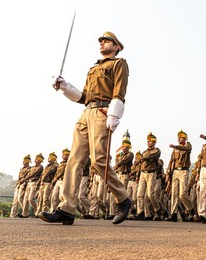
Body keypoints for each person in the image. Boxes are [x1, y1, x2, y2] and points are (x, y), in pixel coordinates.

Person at [40, 31, 131, 225]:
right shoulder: (93, 68)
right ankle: (67, 208)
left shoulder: (119, 63)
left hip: (103, 111)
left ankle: (123, 199)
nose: (102, 43)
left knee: (99, 160)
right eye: (101, 41)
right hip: (87, 112)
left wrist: (114, 114)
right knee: (74, 159)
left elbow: (120, 90)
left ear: (116, 47)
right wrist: (65, 87)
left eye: (107, 41)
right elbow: (83, 97)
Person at [165, 130, 194, 222]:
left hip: (184, 171)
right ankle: (173, 213)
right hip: (175, 172)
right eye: (178, 137)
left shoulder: (188, 145)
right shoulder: (175, 150)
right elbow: (171, 161)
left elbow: (186, 149)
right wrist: (168, 173)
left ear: (185, 138)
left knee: (183, 193)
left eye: (181, 137)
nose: (179, 139)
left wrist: (175, 146)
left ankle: (190, 209)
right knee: (174, 193)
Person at [134, 132, 162, 220]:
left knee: (150, 194)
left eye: (151, 141)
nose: (149, 142)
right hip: (143, 173)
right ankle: (141, 212)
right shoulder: (144, 152)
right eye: (148, 141)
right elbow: (141, 163)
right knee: (139, 194)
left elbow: (154, 156)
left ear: (154, 142)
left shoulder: (156, 150)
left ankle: (157, 210)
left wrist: (143, 158)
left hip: (151, 173)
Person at [19, 153, 44, 218]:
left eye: (37, 159)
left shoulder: (40, 167)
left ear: (41, 160)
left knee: (30, 199)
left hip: (34, 183)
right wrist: (24, 180)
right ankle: (25, 213)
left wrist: (24, 179)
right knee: (25, 199)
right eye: (35, 159)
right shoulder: (32, 167)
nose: (35, 160)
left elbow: (34, 174)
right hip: (28, 183)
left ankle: (37, 211)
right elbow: (27, 174)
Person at [35, 152, 58, 217]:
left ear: (54, 159)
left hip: (48, 183)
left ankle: (52, 211)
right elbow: (42, 175)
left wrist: (43, 179)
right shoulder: (46, 166)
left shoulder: (55, 166)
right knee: (40, 199)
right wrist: (38, 184)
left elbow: (49, 172)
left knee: (46, 199)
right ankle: (38, 213)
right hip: (43, 183)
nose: (49, 159)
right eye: (49, 158)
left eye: (51, 158)